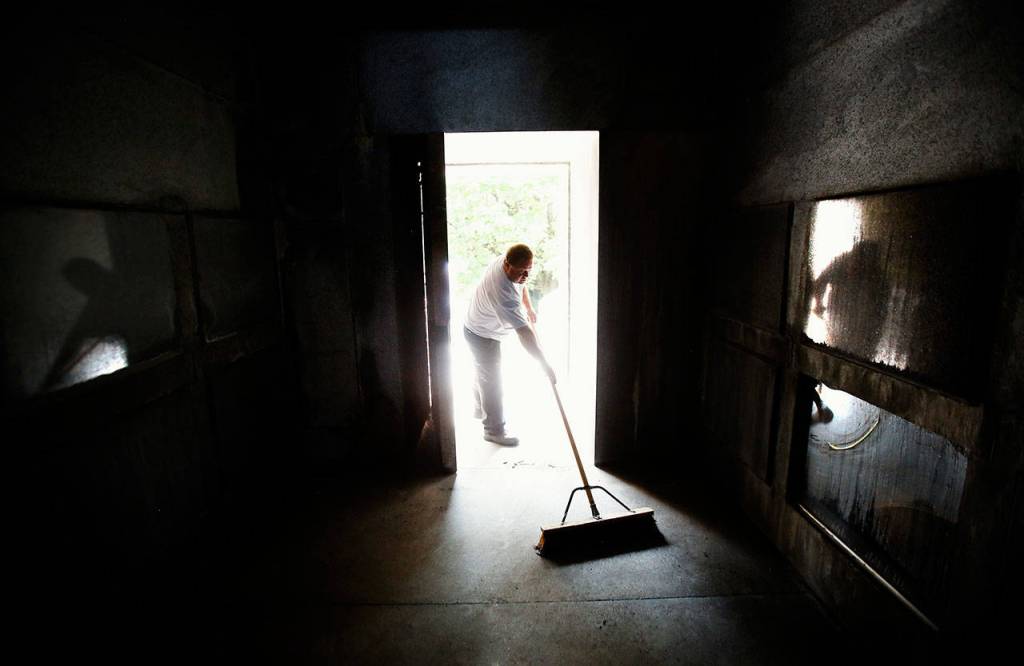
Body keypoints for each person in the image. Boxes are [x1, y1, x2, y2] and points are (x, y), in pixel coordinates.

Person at [463, 243, 557, 446]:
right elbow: (524, 333)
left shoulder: (509, 265)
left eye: (529, 270)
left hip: (477, 326)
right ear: (507, 265)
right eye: (522, 271)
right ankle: (493, 430)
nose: (526, 275)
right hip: (481, 334)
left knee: (483, 371)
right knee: (492, 381)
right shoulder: (502, 291)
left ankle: (479, 407)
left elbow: (520, 285)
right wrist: (545, 365)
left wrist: (529, 308)